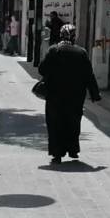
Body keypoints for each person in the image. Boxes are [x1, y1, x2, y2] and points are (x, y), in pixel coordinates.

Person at [38, 23, 101, 163]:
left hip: (54, 96)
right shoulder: (81, 52)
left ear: (60, 35)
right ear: (74, 37)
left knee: (55, 123)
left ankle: (57, 153)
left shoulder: (53, 50)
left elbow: (42, 69)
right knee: (73, 122)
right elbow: (89, 75)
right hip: (75, 96)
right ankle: (73, 150)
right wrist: (95, 94)